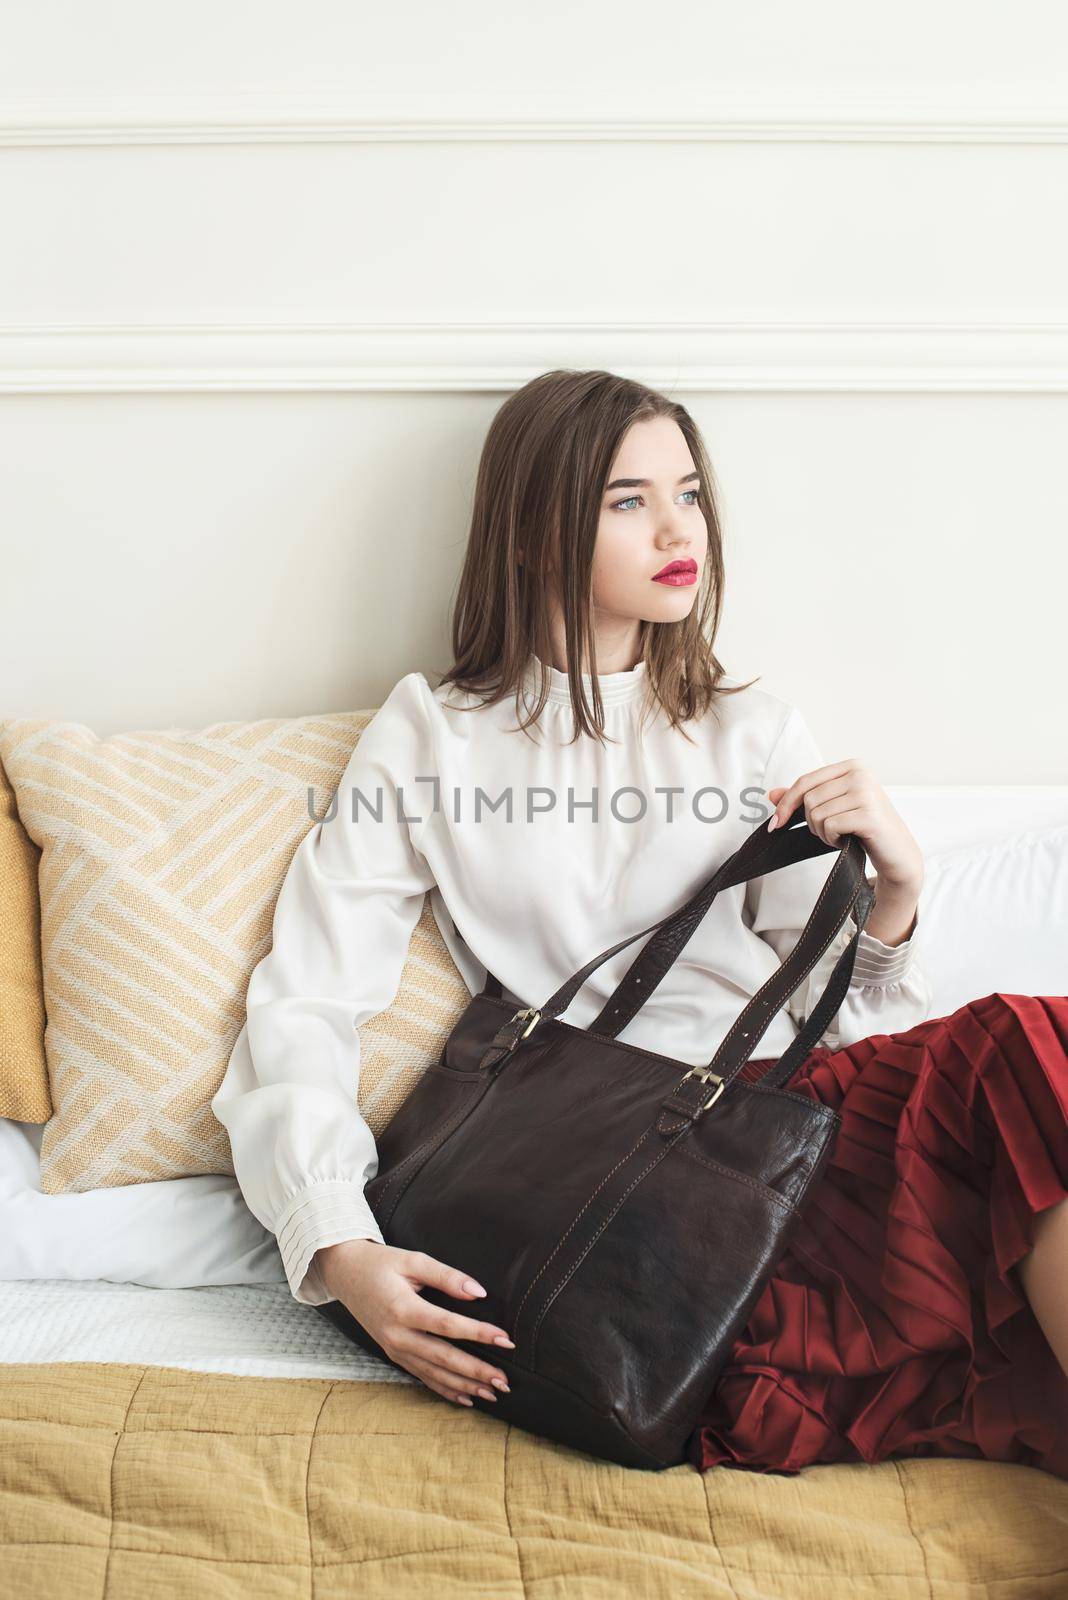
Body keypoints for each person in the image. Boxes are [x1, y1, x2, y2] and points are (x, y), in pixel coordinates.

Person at [211, 368, 1068, 1476]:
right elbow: (309, 1000)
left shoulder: (750, 726)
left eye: (691, 492)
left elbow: (834, 1006)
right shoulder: (436, 733)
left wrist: (894, 891)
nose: (680, 528)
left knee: (1028, 1054)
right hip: (635, 1185)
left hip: (795, 1128)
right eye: (629, 500)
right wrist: (336, 1240)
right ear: (533, 533)